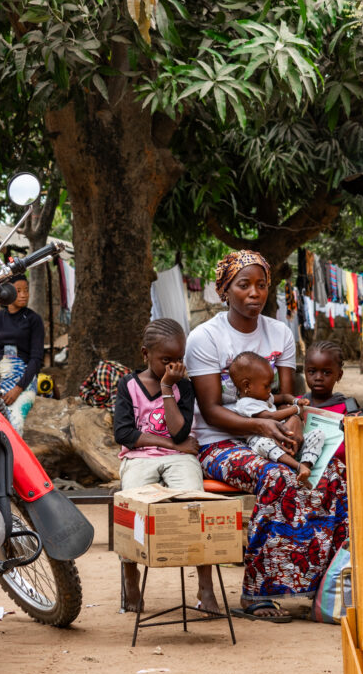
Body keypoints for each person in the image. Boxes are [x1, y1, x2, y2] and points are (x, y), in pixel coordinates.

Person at [185, 250, 348, 622]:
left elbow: (286, 396)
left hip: (273, 434)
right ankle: (257, 593)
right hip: (218, 443)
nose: (254, 293)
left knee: (336, 476)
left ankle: (325, 586)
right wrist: (261, 426)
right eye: (243, 285)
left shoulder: (279, 333)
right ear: (225, 290)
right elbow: (211, 410)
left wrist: (294, 423)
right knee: (276, 476)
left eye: (261, 285)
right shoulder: (206, 338)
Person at [113, 318, 218, 614]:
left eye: (179, 359)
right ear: (145, 354)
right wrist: (170, 445)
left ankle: (205, 587)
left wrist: (167, 388)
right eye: (165, 360)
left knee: (196, 505)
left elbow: (180, 432)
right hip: (140, 458)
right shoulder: (128, 386)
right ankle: (131, 584)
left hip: (179, 459)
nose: (174, 367)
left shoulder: (183, 386)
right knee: (132, 511)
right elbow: (124, 434)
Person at [228, 351, 324, 484]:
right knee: (261, 444)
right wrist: (295, 410)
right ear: (247, 386)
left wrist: (296, 401)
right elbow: (270, 416)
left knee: (318, 434)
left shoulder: (264, 396)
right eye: (266, 386)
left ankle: (305, 468)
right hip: (269, 442)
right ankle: (297, 466)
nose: (270, 390)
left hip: (286, 437)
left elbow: (284, 396)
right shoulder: (245, 404)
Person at [0, 276, 44, 436]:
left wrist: (18, 388)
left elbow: (36, 358)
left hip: (25, 380)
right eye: (18, 291)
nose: (24, 294)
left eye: (26, 290)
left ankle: (13, 460)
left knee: (14, 422)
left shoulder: (34, 319)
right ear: (7, 293)